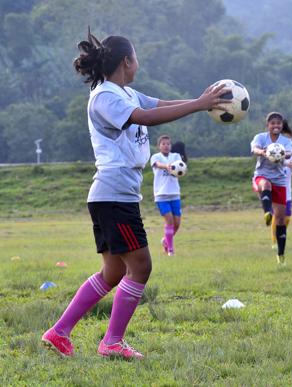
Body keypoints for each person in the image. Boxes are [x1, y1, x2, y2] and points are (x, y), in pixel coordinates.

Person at [41, 29, 229, 359]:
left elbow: (158, 104)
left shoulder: (124, 92)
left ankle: (59, 332)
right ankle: (112, 342)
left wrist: (200, 104)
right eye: (136, 57)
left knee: (113, 272)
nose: (138, 63)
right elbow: (144, 117)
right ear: (127, 61)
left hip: (112, 195)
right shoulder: (105, 97)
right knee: (140, 267)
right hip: (114, 196)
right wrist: (198, 104)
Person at [251, 112, 292, 265]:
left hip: (280, 180)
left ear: (282, 125)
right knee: (265, 185)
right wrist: (263, 152)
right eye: (273, 123)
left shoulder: (286, 141)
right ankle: (267, 212)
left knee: (281, 219)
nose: (276, 126)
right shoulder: (260, 137)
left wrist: (282, 154)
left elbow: (289, 153)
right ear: (267, 125)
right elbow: (254, 149)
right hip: (261, 175)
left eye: (278, 123)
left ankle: (281, 255)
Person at [150, 135, 183, 256]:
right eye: (163, 144)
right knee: (169, 222)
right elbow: (157, 164)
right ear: (159, 146)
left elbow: (180, 169)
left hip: (175, 194)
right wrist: (167, 166)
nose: (166, 146)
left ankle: (165, 240)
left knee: (177, 224)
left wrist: (176, 171)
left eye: (168, 144)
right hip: (161, 195)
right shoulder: (155, 157)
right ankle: (170, 249)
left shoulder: (176, 156)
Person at [271, 120, 292, 247]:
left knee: (288, 216)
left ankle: (280, 235)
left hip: (287, 190)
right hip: (276, 188)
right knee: (278, 215)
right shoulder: (273, 152)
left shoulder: (289, 149)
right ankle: (275, 242)